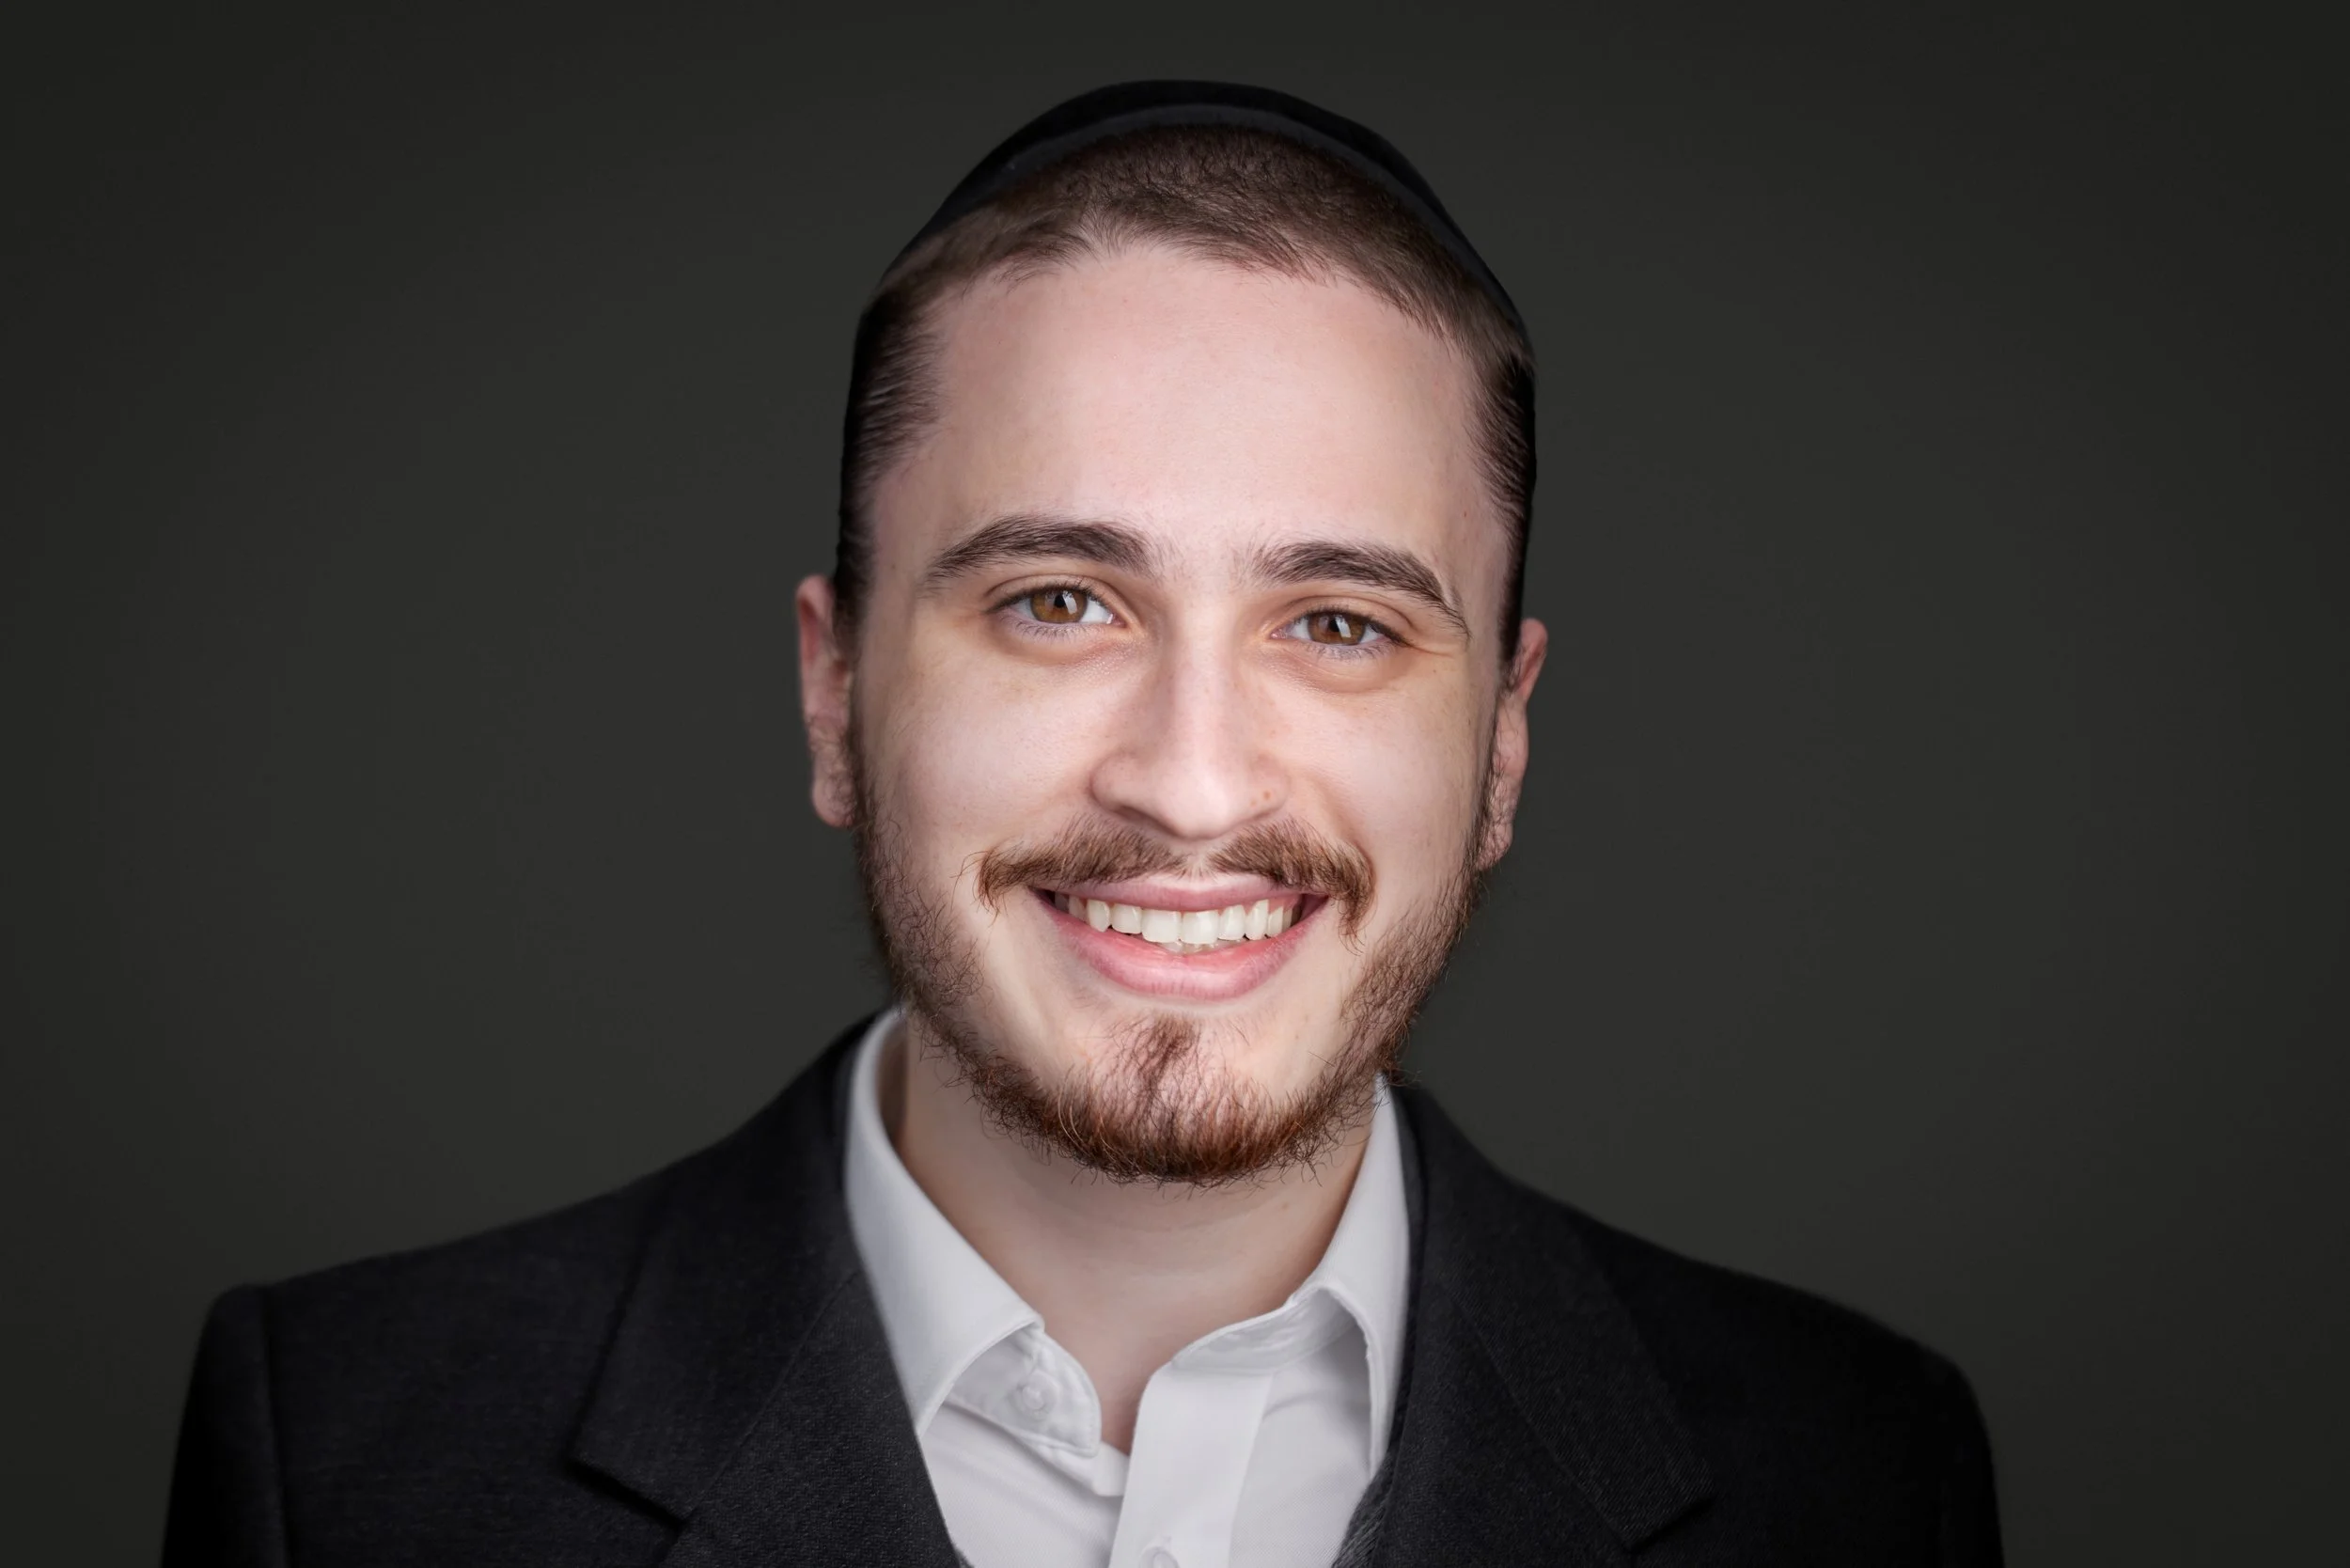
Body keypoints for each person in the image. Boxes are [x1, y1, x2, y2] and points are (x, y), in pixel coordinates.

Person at [164, 82, 2002, 1567]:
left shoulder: (1851, 1474)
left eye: (1339, 626)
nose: (1191, 785)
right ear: (835, 691)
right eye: (1057, 602)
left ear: (1502, 742)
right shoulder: (344, 1454)